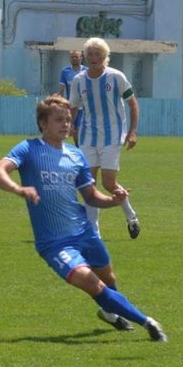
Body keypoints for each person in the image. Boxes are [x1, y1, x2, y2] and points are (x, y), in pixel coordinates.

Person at [0, 95, 167, 342]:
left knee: (109, 280)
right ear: (42, 123)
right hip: (55, 243)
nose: (65, 124)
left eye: (68, 120)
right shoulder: (28, 149)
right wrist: (18, 189)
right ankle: (148, 322)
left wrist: (113, 200)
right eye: (58, 119)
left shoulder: (75, 155)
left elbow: (91, 196)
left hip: (85, 233)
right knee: (94, 285)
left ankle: (110, 314)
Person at [69, 37, 141, 239]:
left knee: (109, 183)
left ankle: (131, 216)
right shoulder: (79, 80)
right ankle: (94, 233)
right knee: (88, 184)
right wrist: (70, 125)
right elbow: (73, 107)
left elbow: (133, 104)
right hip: (87, 137)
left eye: (98, 54)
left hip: (112, 136)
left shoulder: (116, 77)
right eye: (90, 54)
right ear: (85, 56)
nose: (94, 58)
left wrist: (132, 131)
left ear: (105, 56)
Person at [58, 50, 88, 147]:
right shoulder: (65, 72)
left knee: (80, 130)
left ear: (81, 58)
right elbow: (61, 89)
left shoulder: (87, 71)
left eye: (76, 57)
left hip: (84, 107)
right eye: (72, 57)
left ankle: (81, 149)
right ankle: (78, 148)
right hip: (71, 106)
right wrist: (59, 103)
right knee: (73, 132)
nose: (74, 59)